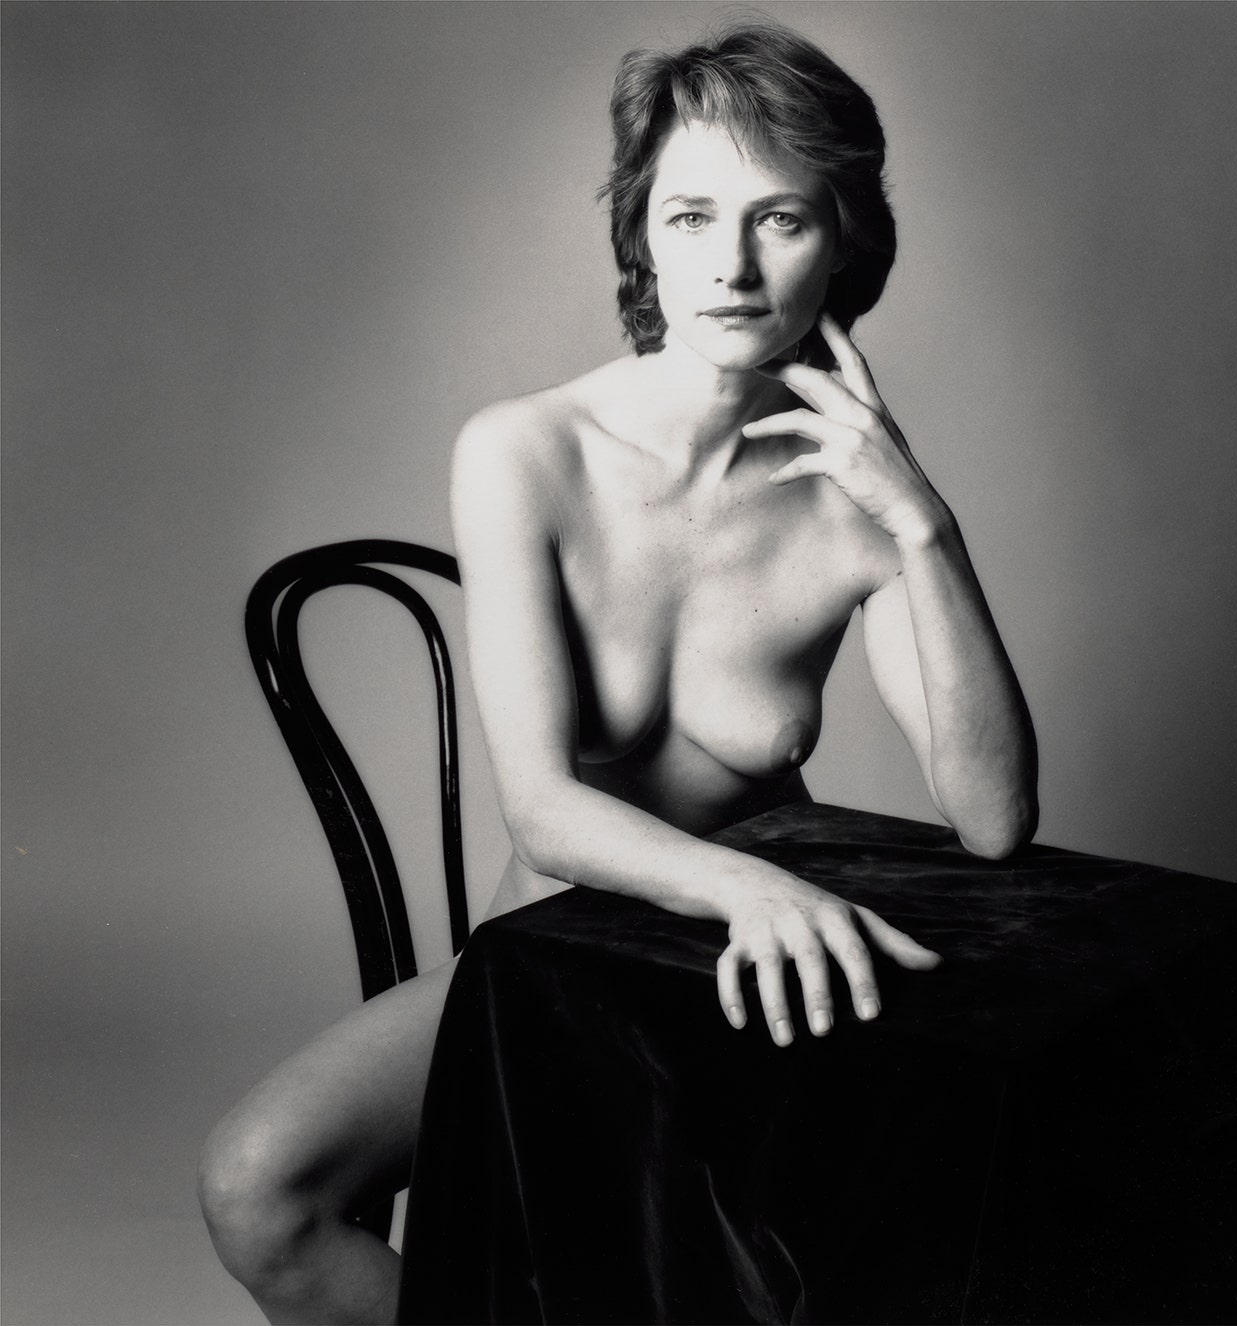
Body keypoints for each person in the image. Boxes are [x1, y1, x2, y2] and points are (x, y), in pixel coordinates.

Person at [199, 20, 1037, 1325]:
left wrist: (925, 524)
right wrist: (751, 884)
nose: (733, 266)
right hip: (556, 969)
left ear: (844, 241)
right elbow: (544, 810)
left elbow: (992, 818)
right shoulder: (527, 451)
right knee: (259, 1187)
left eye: (780, 219)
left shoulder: (856, 500)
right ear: (641, 234)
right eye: (692, 216)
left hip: (757, 989)